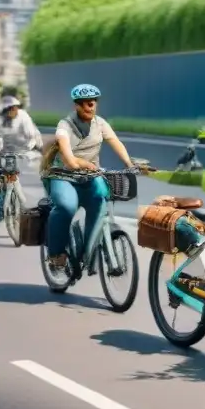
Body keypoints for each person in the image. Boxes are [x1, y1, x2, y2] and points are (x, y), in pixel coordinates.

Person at [43, 84, 138, 270]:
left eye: (93, 103)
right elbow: (69, 161)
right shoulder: (65, 126)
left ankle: (88, 250)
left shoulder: (100, 123)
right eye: (85, 104)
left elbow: (115, 142)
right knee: (66, 207)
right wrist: (84, 163)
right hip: (63, 177)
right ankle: (56, 253)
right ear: (76, 106)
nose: (90, 107)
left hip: (90, 175)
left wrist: (130, 163)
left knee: (101, 199)